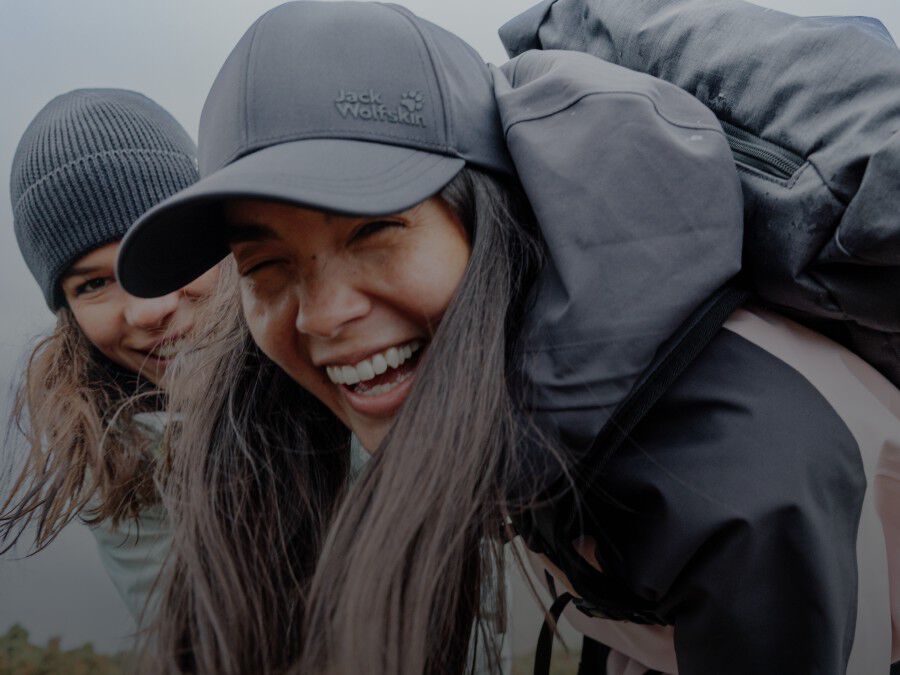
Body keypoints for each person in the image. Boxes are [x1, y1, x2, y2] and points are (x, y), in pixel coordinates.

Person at [116, 2, 899, 674]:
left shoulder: (733, 485)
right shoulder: (548, 382)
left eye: (373, 231)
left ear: (486, 216)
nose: (321, 316)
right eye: (265, 265)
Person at [2, 88, 217, 621]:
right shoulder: (118, 462)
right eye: (94, 283)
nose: (148, 310)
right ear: (69, 316)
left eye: (166, 247)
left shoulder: (350, 338)